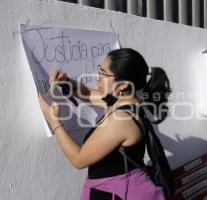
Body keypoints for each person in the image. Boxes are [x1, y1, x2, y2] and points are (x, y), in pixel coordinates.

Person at [38, 48, 172, 200]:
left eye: (103, 73)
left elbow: (79, 159)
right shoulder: (127, 102)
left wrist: (54, 121)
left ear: (122, 85)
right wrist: (67, 82)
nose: (97, 78)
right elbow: (87, 94)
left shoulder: (122, 119)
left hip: (117, 193)